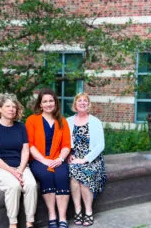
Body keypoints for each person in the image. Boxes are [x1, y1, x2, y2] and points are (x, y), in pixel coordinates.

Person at [0, 93, 38, 228]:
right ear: (0, 109)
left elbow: (25, 150)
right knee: (14, 186)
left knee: (31, 185)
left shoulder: (20, 127)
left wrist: (20, 169)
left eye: (14, 107)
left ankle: (30, 222)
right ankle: (13, 224)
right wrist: (12, 172)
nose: (11, 109)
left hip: (20, 167)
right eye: (7, 106)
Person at [25, 88, 71, 228]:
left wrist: (61, 159)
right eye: (45, 101)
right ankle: (52, 216)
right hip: (38, 160)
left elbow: (66, 145)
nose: (48, 104)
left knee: (62, 175)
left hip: (57, 159)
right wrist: (44, 160)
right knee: (46, 175)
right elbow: (30, 144)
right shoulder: (32, 120)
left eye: (51, 101)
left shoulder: (62, 121)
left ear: (55, 103)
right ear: (40, 105)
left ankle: (62, 218)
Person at [67, 93, 107, 227]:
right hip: (74, 157)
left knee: (84, 175)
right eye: (79, 101)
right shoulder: (68, 121)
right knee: (73, 172)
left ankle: (88, 212)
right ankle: (78, 211)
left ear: (88, 104)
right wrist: (68, 155)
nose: (82, 103)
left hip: (92, 159)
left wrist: (85, 159)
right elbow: (65, 142)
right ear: (75, 104)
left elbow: (100, 145)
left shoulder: (95, 122)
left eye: (85, 101)